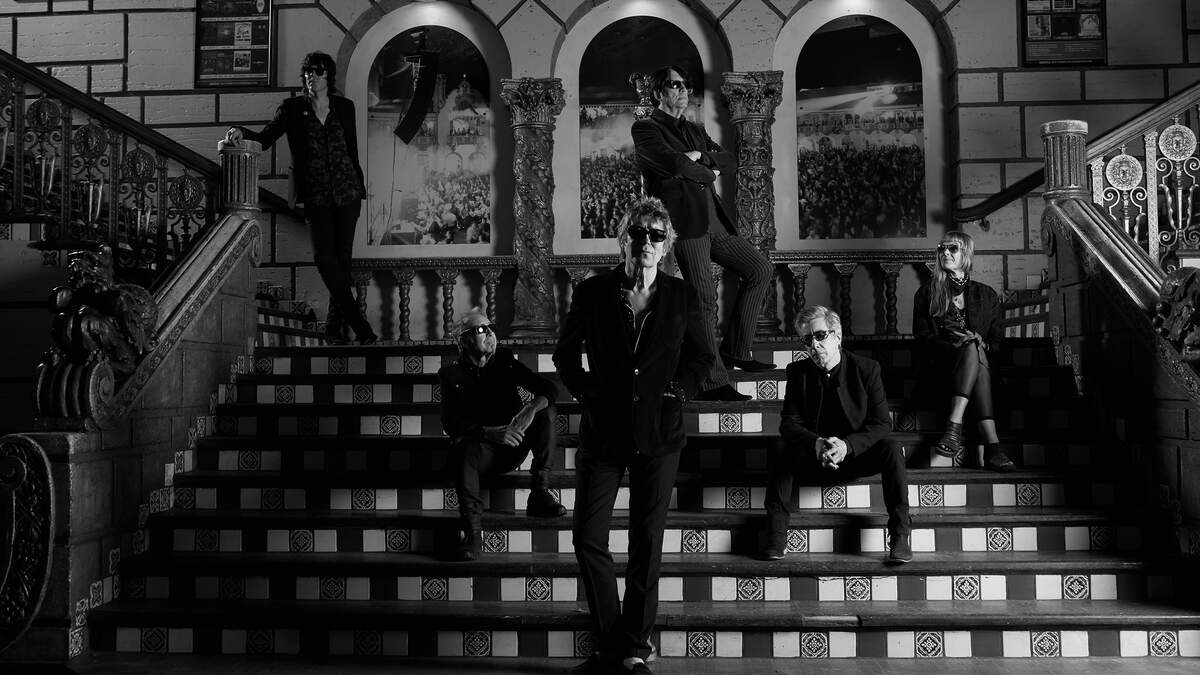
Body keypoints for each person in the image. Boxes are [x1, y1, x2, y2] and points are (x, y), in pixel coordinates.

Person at [554, 197, 713, 675]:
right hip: (604, 431)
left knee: (647, 542)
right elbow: (565, 356)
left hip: (660, 433)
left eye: (656, 235)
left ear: (666, 247)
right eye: (638, 233)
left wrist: (676, 394)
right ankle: (612, 642)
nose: (646, 241)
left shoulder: (682, 296)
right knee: (588, 537)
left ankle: (635, 647)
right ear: (624, 239)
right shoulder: (593, 291)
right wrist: (590, 394)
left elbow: (702, 357)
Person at [631, 65, 775, 402]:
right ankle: (712, 381)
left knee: (760, 269)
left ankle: (736, 350)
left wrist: (700, 157)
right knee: (705, 298)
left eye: (686, 85)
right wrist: (704, 170)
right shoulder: (646, 129)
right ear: (658, 92)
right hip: (684, 226)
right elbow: (675, 165)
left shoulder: (694, 130)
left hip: (716, 224)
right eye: (675, 85)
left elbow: (729, 161)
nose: (684, 90)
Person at [224, 51, 377, 345]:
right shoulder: (293, 109)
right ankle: (361, 327)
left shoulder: (345, 108)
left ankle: (333, 329)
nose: (311, 76)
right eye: (307, 71)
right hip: (316, 196)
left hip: (347, 192)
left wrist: (359, 185)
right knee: (325, 260)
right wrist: (239, 130)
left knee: (342, 262)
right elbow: (266, 138)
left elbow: (351, 150)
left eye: (318, 71)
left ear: (328, 76)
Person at [763, 305, 912, 564]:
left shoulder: (867, 369)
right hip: (815, 458)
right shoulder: (798, 372)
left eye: (820, 336)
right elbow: (789, 424)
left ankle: (900, 534)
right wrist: (816, 443)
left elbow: (881, 423)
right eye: (807, 340)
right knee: (780, 447)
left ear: (838, 336)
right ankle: (776, 535)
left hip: (856, 456)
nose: (814, 345)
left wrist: (847, 446)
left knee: (892, 447)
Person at [438, 308, 566, 561]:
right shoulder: (450, 375)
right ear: (464, 340)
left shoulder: (504, 361)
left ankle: (539, 494)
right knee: (463, 447)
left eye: (491, 328)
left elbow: (548, 388)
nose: (489, 334)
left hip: (514, 446)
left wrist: (531, 407)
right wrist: (488, 433)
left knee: (546, 411)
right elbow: (451, 423)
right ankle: (472, 531)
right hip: (480, 454)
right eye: (481, 330)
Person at [913, 231, 1015, 472]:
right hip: (943, 370)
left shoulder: (986, 294)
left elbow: (997, 342)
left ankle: (953, 427)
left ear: (966, 254)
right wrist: (953, 346)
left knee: (974, 346)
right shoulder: (926, 293)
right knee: (970, 348)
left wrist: (981, 343)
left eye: (953, 248)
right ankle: (993, 447)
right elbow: (922, 338)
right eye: (942, 248)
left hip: (982, 370)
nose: (945, 252)